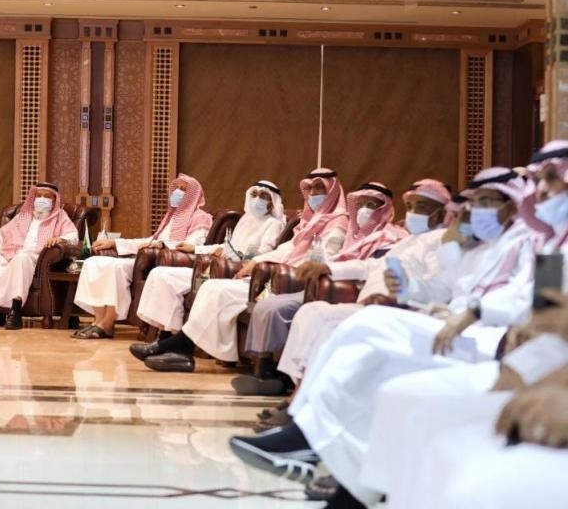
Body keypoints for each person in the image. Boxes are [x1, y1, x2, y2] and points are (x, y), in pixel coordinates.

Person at [229, 167, 545, 508]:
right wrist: (413, 285)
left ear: (513, 204)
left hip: (493, 338)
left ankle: (309, 441)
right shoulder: (485, 246)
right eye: (475, 203)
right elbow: (445, 287)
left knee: (369, 328)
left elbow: (541, 300)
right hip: (456, 326)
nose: (477, 211)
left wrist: (476, 310)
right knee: (366, 340)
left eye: (487, 202)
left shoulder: (535, 243)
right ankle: (320, 450)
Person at [353, 140, 568, 509]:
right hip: (519, 353)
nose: (543, 190)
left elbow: (537, 318)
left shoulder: (527, 241)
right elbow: (539, 314)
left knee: (429, 421)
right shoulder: (550, 243)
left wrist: (479, 318)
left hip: (509, 350)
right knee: (405, 399)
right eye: (539, 181)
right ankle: (352, 486)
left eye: (553, 178)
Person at [135, 167, 348, 371]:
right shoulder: (308, 222)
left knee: (217, 289)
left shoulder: (337, 222)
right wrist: (257, 263)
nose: (312, 194)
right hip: (268, 274)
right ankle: (179, 347)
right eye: (309, 188)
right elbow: (285, 250)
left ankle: (179, 347)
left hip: (291, 282)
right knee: (211, 288)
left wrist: (258, 263)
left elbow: (323, 261)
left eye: (319, 188)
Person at [233, 182, 408, 395]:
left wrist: (326, 270)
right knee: (269, 305)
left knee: (298, 312)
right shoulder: (355, 234)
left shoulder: (392, 237)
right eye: (360, 204)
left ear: (385, 208)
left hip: (349, 293)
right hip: (326, 287)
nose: (364, 210)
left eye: (371, 205)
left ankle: (290, 382)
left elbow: (371, 268)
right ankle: (265, 369)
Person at [276, 179, 453, 388]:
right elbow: (371, 265)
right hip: (370, 306)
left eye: (421, 207)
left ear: (441, 213)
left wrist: (398, 297)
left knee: (329, 327)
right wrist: (328, 268)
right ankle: (300, 385)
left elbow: (440, 289)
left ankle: (306, 394)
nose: (413, 213)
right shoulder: (409, 240)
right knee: (310, 311)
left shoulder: (442, 241)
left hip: (399, 310)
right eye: (410, 207)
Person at [134, 181, 286, 338]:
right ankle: (167, 333)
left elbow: (263, 255)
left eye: (263, 196)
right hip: (220, 265)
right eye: (254, 195)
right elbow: (226, 246)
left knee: (179, 280)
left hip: (233, 271)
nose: (257, 200)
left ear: (272, 202)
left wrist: (237, 256)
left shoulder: (273, 224)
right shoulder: (245, 220)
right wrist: (195, 249)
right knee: (160, 273)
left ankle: (170, 339)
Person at [71, 174, 213, 339]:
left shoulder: (200, 217)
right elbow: (150, 241)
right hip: (150, 256)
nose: (177, 192)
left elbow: (195, 244)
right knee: (94, 263)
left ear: (193, 194)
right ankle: (98, 320)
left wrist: (164, 245)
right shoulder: (171, 217)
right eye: (177, 188)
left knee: (115, 268)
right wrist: (115, 243)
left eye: (183, 189)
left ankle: (107, 323)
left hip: (164, 262)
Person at [0, 182, 78, 330]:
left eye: (47, 197)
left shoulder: (60, 217)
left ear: (54, 199)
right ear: (33, 198)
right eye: (39, 196)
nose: (42, 199)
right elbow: (0, 235)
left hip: (34, 256)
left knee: (21, 259)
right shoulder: (23, 216)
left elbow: (73, 236)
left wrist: (60, 239)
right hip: (10, 251)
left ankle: (15, 312)